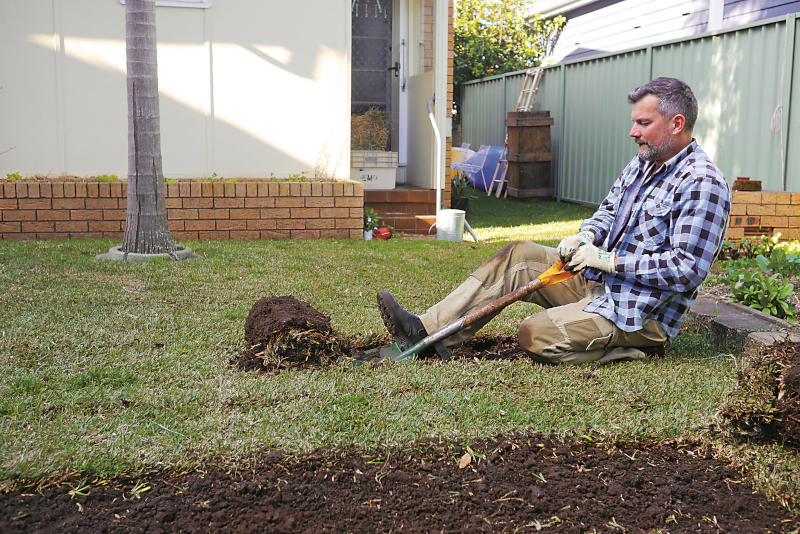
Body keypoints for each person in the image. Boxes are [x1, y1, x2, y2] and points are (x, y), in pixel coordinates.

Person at [377, 77, 731, 364]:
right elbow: (608, 211)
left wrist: (608, 260)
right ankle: (423, 331)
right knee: (519, 256)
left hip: (638, 313)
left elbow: (686, 269)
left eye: (643, 123)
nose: (632, 132)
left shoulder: (703, 183)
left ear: (677, 124)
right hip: (597, 285)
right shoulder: (643, 164)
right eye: (633, 122)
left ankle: (629, 349)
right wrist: (586, 236)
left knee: (534, 335)